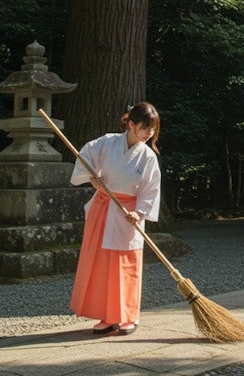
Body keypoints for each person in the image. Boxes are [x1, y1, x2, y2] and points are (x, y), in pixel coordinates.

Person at [69, 102, 162, 336]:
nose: (149, 133)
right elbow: (85, 157)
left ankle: (128, 316)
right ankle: (107, 316)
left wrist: (139, 213)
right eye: (145, 128)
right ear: (131, 124)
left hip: (128, 213)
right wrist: (93, 179)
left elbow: (150, 189)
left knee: (125, 264)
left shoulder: (148, 156)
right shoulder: (108, 142)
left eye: (153, 129)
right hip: (104, 207)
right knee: (101, 263)